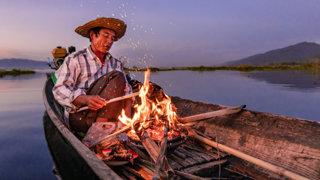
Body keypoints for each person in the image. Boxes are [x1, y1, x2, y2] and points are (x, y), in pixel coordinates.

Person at [52, 17, 132, 134]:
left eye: (112, 38)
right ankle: (99, 133)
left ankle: (111, 127)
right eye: (106, 36)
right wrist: (85, 99)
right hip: (82, 115)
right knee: (117, 77)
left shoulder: (115, 63)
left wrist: (127, 122)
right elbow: (59, 90)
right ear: (93, 35)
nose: (109, 41)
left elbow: (127, 93)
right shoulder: (75, 59)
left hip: (111, 113)